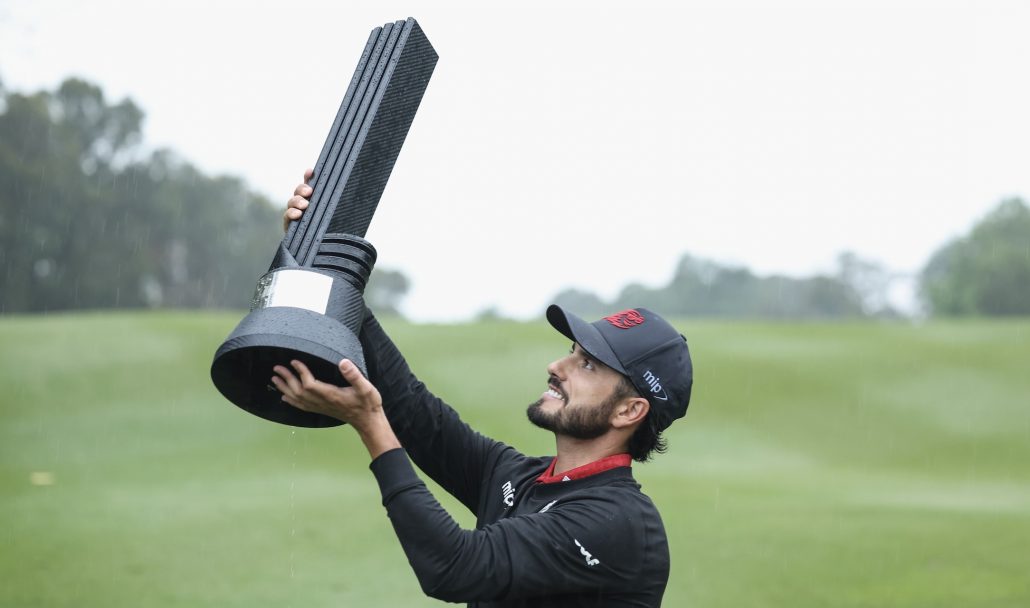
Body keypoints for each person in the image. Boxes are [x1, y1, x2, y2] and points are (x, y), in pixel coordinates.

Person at [274, 172, 694, 607]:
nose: (557, 366)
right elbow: (413, 410)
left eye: (586, 364)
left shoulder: (620, 522)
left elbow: (454, 567)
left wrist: (370, 424)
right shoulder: (519, 476)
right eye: (571, 351)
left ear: (629, 411)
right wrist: (323, 264)